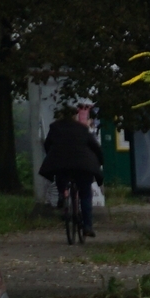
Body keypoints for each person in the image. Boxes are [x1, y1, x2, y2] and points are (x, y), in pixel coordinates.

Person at [41, 104, 105, 242]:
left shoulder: (54, 127)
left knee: (60, 175)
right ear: (75, 115)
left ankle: (62, 194)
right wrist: (100, 162)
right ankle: (87, 226)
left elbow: (47, 145)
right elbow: (95, 147)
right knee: (85, 194)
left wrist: (52, 157)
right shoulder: (82, 128)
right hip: (83, 165)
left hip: (62, 164)